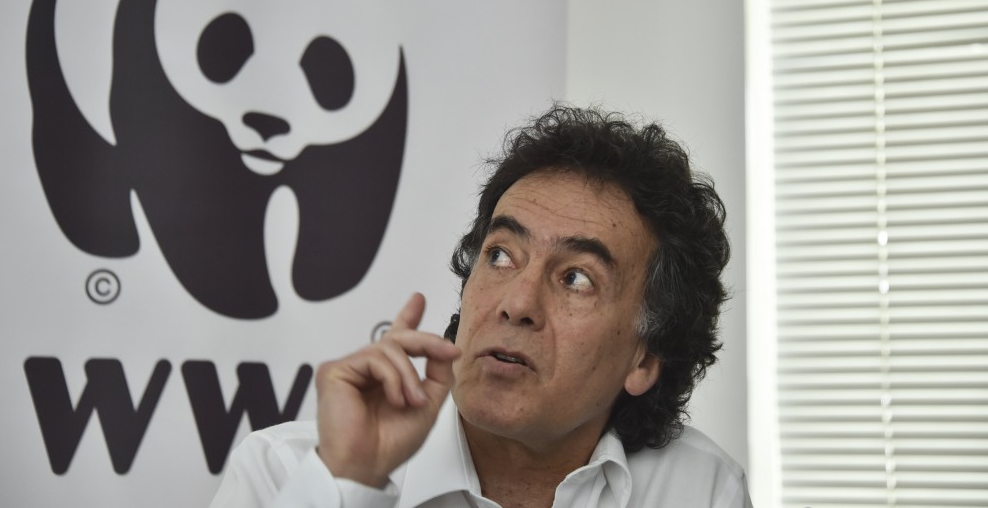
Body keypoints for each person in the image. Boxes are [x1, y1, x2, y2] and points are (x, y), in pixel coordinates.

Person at [211, 105, 751, 507]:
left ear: (644, 359)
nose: (517, 303)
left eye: (577, 278)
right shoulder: (284, 475)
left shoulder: (701, 489)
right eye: (500, 255)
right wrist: (351, 483)